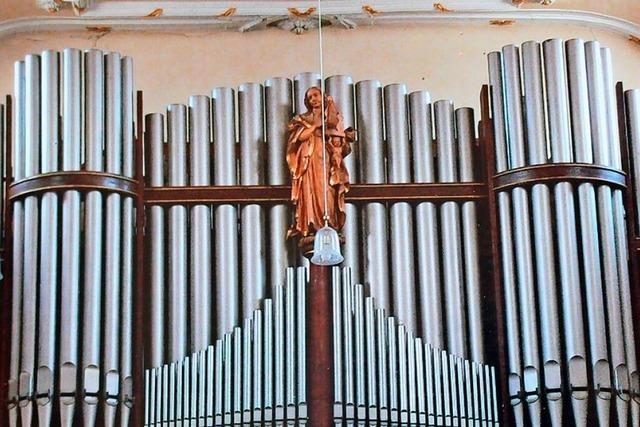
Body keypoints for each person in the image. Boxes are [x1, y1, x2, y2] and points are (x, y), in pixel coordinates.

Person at [286, 86, 355, 238]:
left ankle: (329, 222)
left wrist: (330, 110)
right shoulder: (302, 119)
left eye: (316, 95)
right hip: (308, 161)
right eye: (310, 97)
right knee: (310, 191)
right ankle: (310, 223)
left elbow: (339, 137)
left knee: (327, 190)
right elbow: (299, 138)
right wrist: (315, 126)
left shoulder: (332, 116)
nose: (313, 99)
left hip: (326, 159)